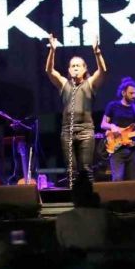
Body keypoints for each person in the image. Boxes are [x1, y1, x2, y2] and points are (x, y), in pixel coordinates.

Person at [45, 33, 107, 186]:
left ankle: (88, 198)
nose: (75, 68)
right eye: (73, 66)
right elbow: (49, 71)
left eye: (78, 65)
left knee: (86, 169)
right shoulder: (64, 83)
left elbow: (102, 71)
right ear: (69, 69)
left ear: (85, 69)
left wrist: (97, 53)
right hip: (67, 131)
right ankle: (74, 198)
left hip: (86, 131)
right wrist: (52, 51)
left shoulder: (90, 83)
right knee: (71, 171)